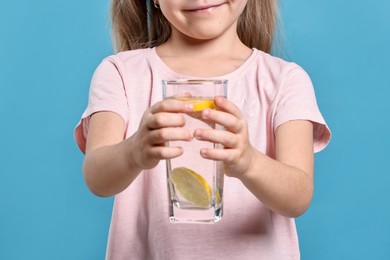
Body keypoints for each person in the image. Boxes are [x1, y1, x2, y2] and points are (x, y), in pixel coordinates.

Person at [74, 0, 331, 259]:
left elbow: (298, 197)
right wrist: (134, 151)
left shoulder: (284, 81)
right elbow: (97, 178)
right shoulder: (121, 73)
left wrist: (248, 162)